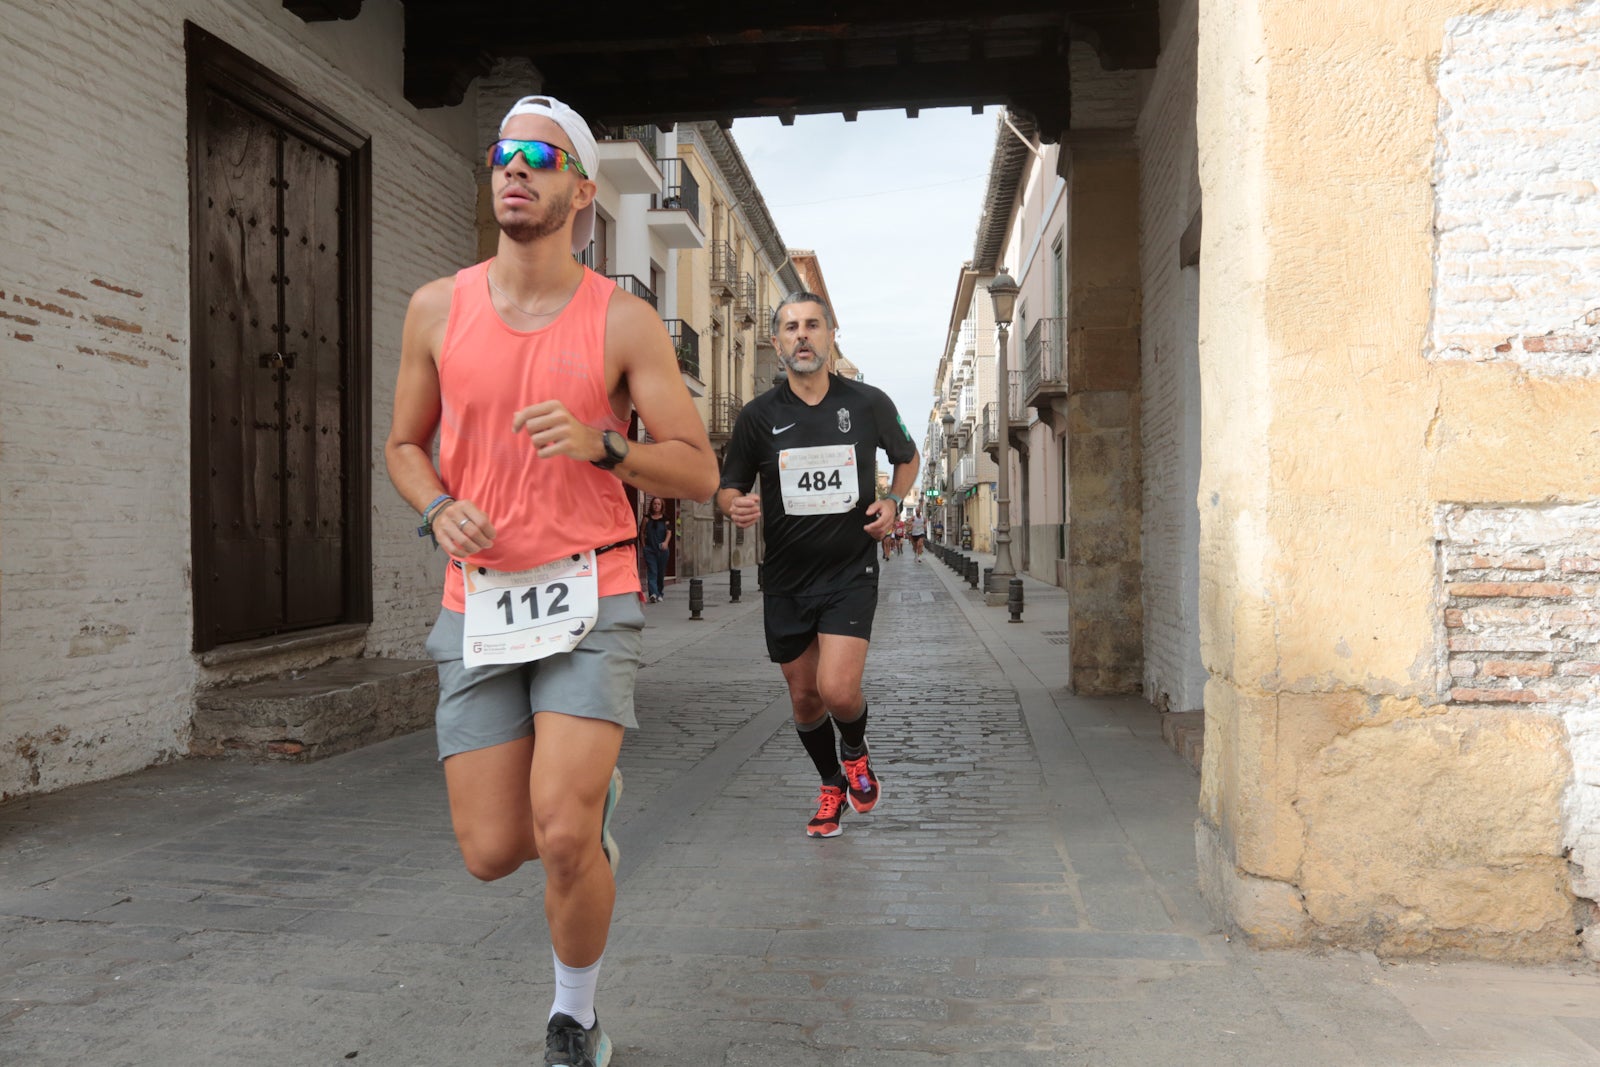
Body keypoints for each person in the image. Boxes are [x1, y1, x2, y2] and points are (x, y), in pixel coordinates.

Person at [384, 94, 718, 1067]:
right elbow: (404, 443)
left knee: (562, 833)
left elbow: (697, 467)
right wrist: (434, 505)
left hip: (590, 589)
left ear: (580, 190)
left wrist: (604, 447)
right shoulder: (436, 307)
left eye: (539, 154)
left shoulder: (620, 319)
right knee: (494, 847)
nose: (514, 168)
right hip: (479, 598)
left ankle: (574, 1013)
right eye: (502, 153)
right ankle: (578, 809)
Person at [717, 292, 920, 838]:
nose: (801, 335)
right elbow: (728, 484)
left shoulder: (869, 402)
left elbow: (907, 455)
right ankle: (831, 781)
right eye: (790, 327)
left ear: (831, 335)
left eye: (812, 325)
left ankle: (855, 751)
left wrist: (894, 501)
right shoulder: (758, 417)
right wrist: (732, 503)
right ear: (778, 342)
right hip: (785, 578)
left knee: (837, 690)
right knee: (804, 697)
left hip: (849, 572)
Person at [642, 497, 671, 603]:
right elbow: (642, 532)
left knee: (660, 572)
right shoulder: (646, 518)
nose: (656, 506)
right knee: (652, 571)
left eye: (658, 504)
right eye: (655, 504)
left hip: (662, 550)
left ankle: (660, 593)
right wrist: (644, 546)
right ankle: (653, 594)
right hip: (650, 549)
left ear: (661, 506)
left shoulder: (665, 519)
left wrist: (666, 543)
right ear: (652, 505)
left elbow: (669, 532)